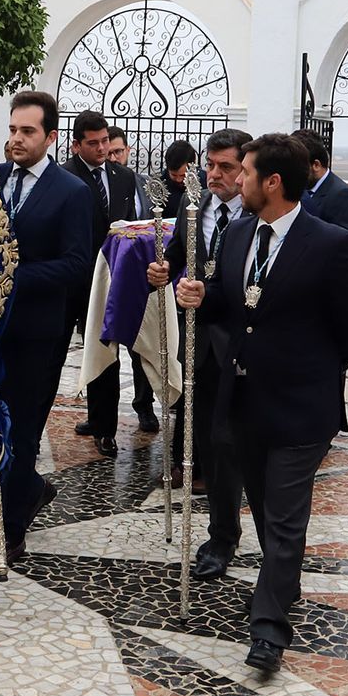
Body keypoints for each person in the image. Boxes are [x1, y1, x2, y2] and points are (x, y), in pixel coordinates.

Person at [175, 132, 348, 679]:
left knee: (285, 520)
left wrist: (316, 370)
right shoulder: (239, 235)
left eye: (245, 173)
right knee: (264, 511)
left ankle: (268, 629)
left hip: (300, 408)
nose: (235, 181)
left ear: (273, 182)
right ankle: (282, 583)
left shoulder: (329, 242)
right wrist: (198, 295)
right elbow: (228, 301)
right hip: (243, 401)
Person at [0, 91, 92, 571]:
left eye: (27, 132)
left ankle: (11, 534)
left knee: (22, 434)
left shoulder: (71, 192)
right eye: (11, 130)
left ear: (50, 137)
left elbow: (75, 264)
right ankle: (31, 489)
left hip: (38, 335)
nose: (15, 140)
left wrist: (10, 276)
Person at [149, 127, 251, 576]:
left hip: (245, 346)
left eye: (226, 167)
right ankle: (221, 534)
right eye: (209, 165)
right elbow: (176, 254)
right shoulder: (197, 207)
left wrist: (207, 292)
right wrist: (162, 270)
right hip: (202, 344)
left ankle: (256, 536)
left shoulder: (259, 215)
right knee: (211, 443)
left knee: (241, 445)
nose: (214, 175)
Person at [65, 111, 139, 458]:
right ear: (77, 144)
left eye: (105, 141)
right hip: (74, 280)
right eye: (93, 143)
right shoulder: (65, 177)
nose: (101, 148)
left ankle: (105, 426)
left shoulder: (123, 177)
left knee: (106, 349)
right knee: (63, 352)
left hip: (112, 278)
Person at [107, 125, 154, 417]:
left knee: (143, 343)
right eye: (108, 152)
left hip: (143, 276)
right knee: (106, 345)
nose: (113, 157)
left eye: (118, 151)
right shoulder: (100, 187)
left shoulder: (144, 184)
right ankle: (101, 416)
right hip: (110, 274)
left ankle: (145, 405)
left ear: (128, 151)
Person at [290, 129, 348, 247]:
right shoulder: (296, 190)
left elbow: (347, 245)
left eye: (298, 166)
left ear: (316, 165)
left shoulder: (344, 195)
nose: (294, 172)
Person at [161, 140, 197, 217]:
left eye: (183, 175)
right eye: (174, 175)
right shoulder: (160, 183)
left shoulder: (204, 181)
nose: (179, 180)